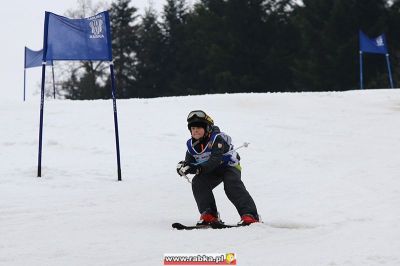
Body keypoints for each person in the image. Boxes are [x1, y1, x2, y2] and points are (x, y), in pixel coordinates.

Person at [176, 110, 260, 225]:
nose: (195, 131)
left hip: (228, 167)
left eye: (199, 128)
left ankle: (250, 215)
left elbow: (215, 160)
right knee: (198, 181)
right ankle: (209, 214)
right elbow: (190, 164)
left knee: (231, 184)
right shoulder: (191, 146)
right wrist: (183, 168)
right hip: (211, 170)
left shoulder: (217, 139)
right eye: (193, 128)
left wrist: (197, 168)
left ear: (207, 129)